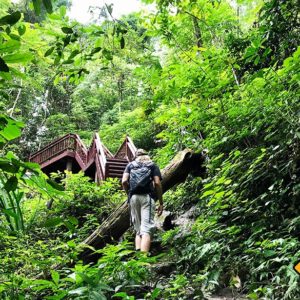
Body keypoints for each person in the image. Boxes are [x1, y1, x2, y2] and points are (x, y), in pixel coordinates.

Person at [122, 149, 163, 253]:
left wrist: (129, 195)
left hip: (134, 198)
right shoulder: (152, 165)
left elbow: (124, 181)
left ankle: (138, 259)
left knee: (138, 230)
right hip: (146, 197)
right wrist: (161, 203)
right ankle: (143, 260)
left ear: (136, 157)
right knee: (146, 229)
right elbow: (157, 183)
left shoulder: (130, 165)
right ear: (147, 156)